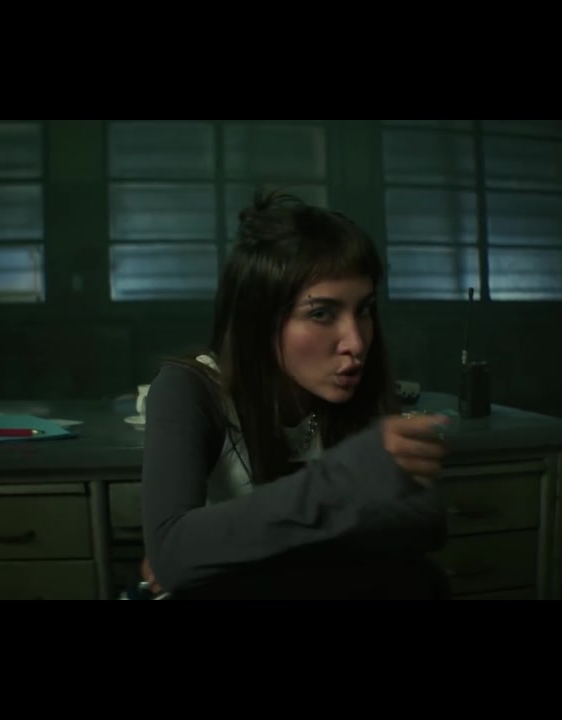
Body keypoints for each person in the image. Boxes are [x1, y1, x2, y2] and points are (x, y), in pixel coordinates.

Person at [137, 189, 452, 600]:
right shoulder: (189, 389)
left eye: (364, 309)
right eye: (321, 313)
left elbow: (425, 520)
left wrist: (216, 547)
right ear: (260, 319)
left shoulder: (355, 384)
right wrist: (346, 481)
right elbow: (172, 555)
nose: (356, 342)